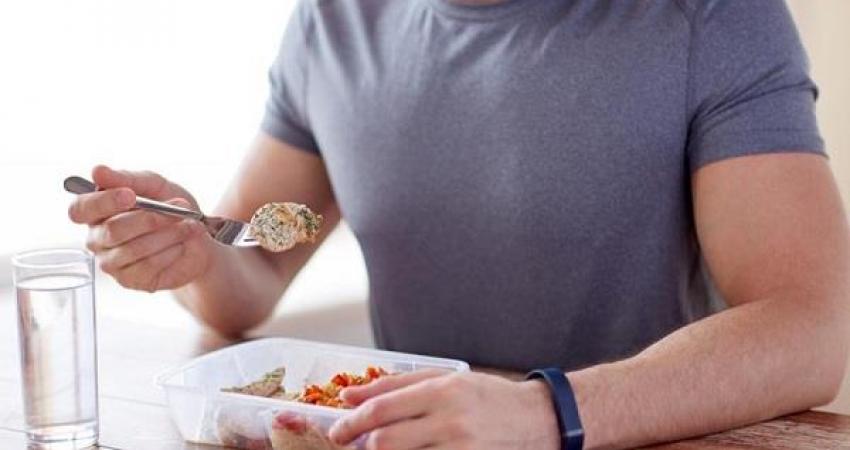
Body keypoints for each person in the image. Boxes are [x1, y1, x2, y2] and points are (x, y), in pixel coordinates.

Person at [67, 0, 850, 448]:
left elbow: (810, 326)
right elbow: (255, 267)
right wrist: (193, 250)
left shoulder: (713, 18)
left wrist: (546, 412)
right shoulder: (335, 20)